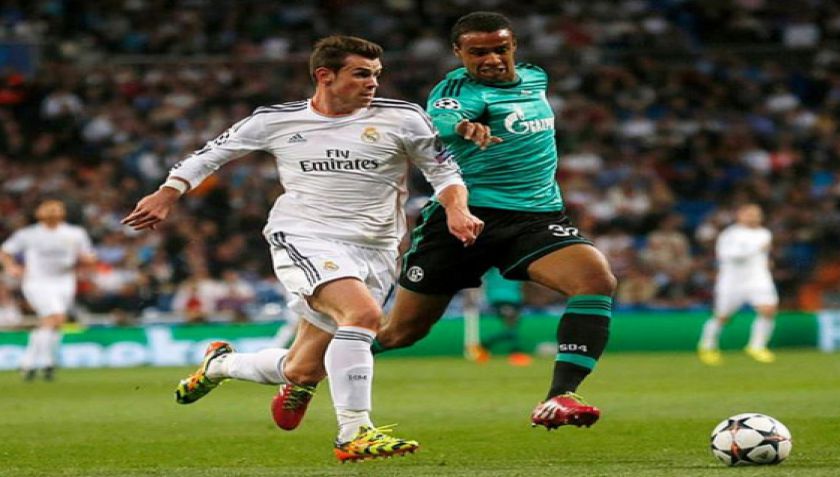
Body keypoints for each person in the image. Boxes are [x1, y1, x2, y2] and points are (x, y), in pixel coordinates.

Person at [122, 35, 481, 462]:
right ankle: (354, 432)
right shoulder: (276, 120)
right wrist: (168, 193)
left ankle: (220, 364)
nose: (372, 83)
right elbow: (209, 155)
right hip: (305, 235)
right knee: (364, 316)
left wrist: (457, 209)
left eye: (376, 75)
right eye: (361, 74)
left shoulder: (404, 118)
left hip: (377, 247)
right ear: (324, 76)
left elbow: (445, 172)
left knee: (302, 369)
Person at [271, 12, 617, 432]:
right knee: (401, 332)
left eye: (500, 49)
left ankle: (559, 396)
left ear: (513, 47)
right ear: (459, 53)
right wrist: (466, 127)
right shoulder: (456, 90)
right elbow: (443, 118)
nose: (491, 59)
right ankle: (306, 372)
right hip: (462, 221)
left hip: (536, 217)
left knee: (595, 279)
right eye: (478, 52)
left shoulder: (534, 77)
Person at [0, 199, 96, 381]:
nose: (53, 212)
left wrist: (87, 260)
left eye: (56, 209)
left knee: (52, 323)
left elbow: (89, 254)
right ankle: (47, 362)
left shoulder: (75, 233)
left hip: (64, 282)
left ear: (62, 212)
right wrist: (11, 267)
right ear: (40, 213)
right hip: (37, 282)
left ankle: (28, 363)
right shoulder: (28, 234)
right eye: (49, 209)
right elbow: (5, 251)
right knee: (55, 318)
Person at [697, 204, 779, 365]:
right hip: (732, 281)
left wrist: (766, 262)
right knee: (723, 316)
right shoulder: (730, 235)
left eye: (757, 214)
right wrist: (756, 249)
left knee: (768, 310)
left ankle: (757, 346)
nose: (754, 217)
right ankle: (707, 346)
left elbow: (761, 256)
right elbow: (728, 255)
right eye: (749, 214)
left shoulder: (765, 233)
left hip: (758, 279)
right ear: (739, 216)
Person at [470, 268, 532, 366]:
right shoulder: (493, 268)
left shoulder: (515, 265)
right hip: (500, 298)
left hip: (515, 298)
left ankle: (484, 346)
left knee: (512, 328)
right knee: (511, 326)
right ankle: (515, 352)